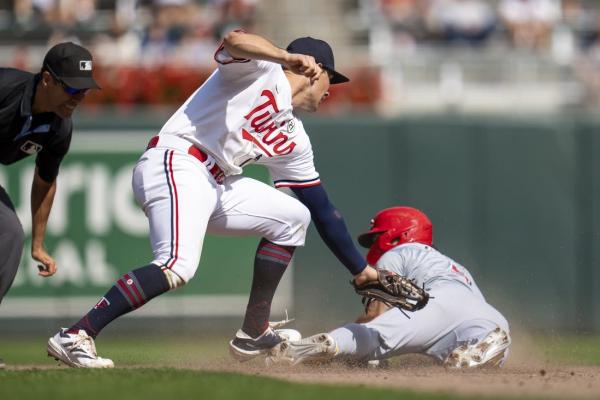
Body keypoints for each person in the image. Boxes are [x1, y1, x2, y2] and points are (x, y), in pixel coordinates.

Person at [47, 30, 379, 368]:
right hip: (177, 161)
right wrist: (283, 56)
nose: (329, 91)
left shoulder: (294, 138)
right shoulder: (260, 70)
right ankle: (76, 334)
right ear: (315, 69)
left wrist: (362, 270)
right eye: (331, 80)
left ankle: (254, 333)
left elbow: (322, 209)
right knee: (177, 265)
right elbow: (234, 39)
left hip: (214, 181)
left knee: (293, 217)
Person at [268, 207, 511, 368]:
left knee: (372, 337)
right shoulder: (456, 267)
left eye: (376, 237)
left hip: (438, 304)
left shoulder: (398, 251)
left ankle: (312, 347)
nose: (373, 245)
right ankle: (482, 345)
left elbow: (375, 316)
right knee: (460, 357)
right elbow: (461, 310)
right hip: (489, 316)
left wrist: (351, 342)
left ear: (396, 236)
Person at [0, 42, 100, 369]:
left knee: (10, 234)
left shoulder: (59, 126)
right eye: (71, 87)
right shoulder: (6, 89)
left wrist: (39, 244)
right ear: (46, 79)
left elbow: (45, 181)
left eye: (84, 90)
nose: (78, 97)